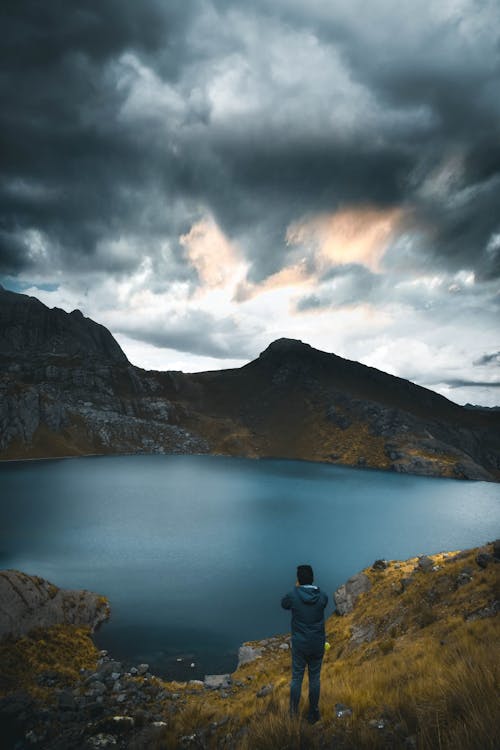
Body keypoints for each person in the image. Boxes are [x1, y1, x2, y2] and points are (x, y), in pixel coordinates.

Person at [281, 564, 328, 723]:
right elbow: (323, 603)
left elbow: (284, 604)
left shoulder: (293, 595)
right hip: (317, 643)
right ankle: (313, 713)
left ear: (298, 580)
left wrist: (296, 588)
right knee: (315, 678)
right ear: (312, 578)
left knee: (296, 679)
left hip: (300, 645)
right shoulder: (322, 596)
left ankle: (293, 714)